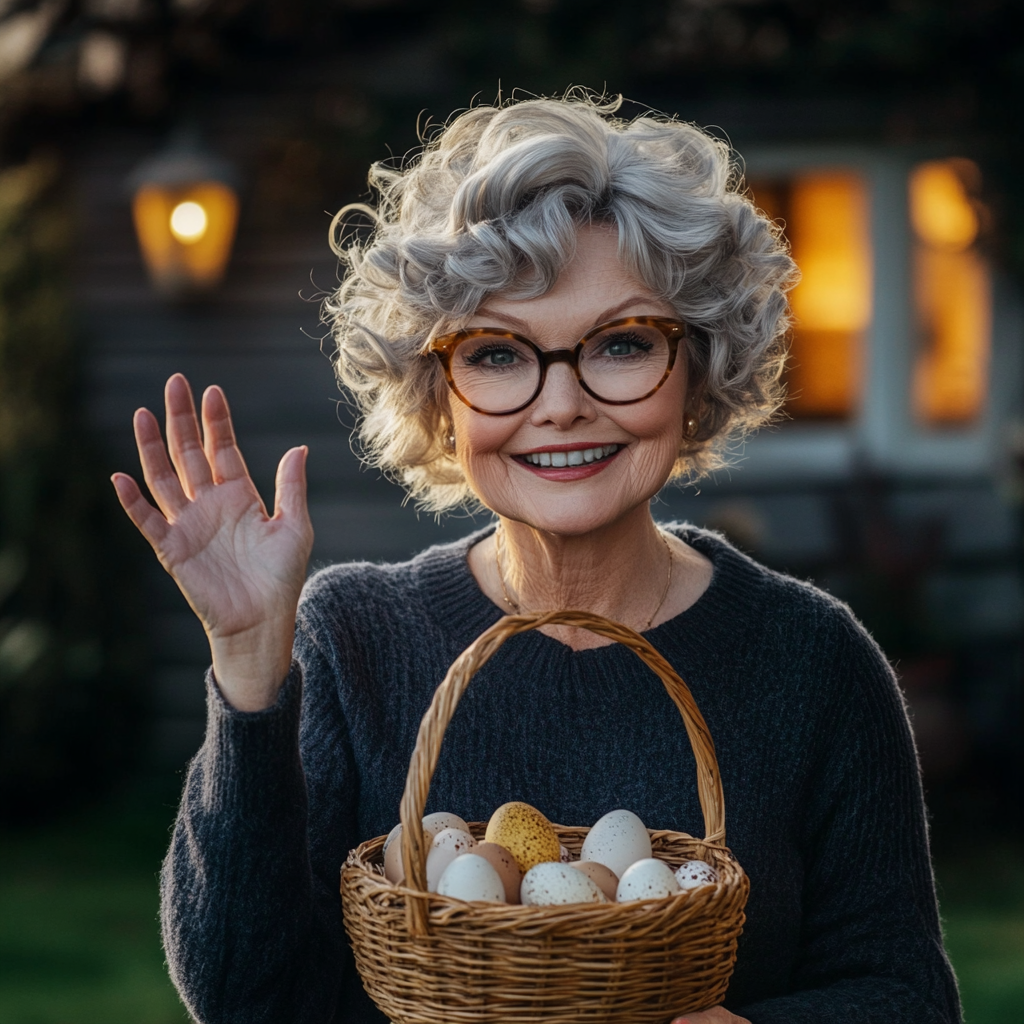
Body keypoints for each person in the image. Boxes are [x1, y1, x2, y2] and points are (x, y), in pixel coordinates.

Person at [112, 94, 962, 1024]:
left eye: (623, 344)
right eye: (500, 353)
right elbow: (246, 998)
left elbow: (903, 994)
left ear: (699, 368)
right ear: (440, 395)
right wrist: (247, 665)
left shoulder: (812, 661)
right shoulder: (353, 638)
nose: (561, 404)